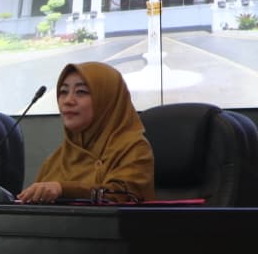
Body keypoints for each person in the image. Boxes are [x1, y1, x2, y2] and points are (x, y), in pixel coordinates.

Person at [17, 61, 155, 204]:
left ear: (106, 99)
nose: (68, 101)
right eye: (63, 92)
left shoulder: (134, 148)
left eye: (81, 92)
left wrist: (63, 189)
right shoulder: (57, 159)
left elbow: (121, 197)